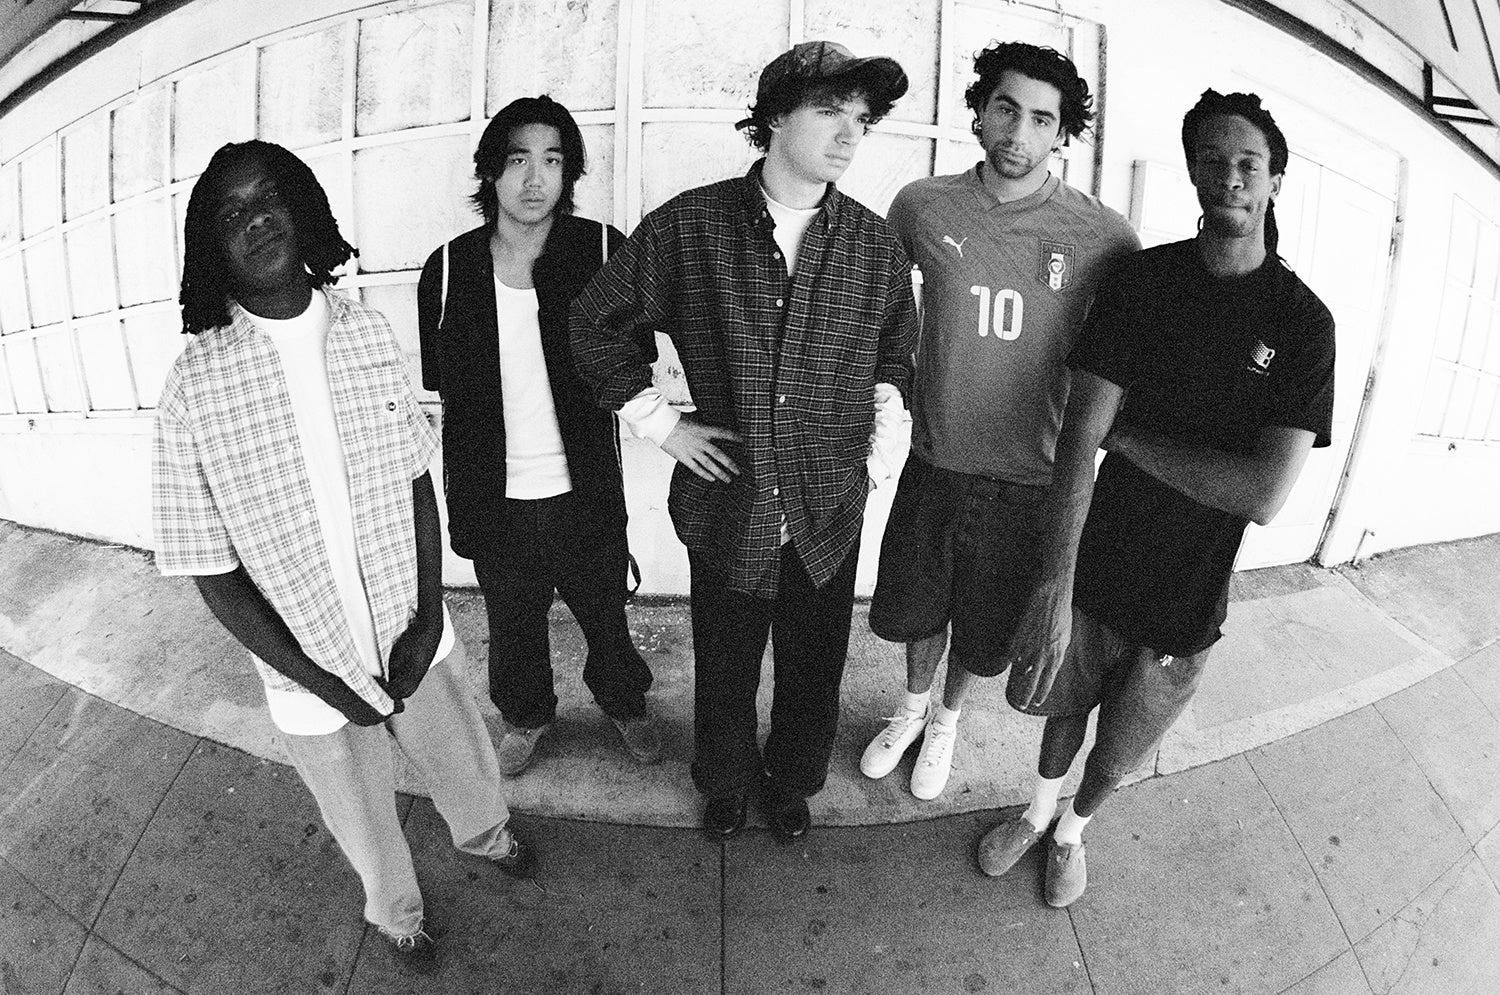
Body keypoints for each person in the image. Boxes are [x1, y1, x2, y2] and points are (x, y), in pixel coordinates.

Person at [152, 140, 529, 969]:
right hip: (308, 666)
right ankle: (397, 911)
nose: (255, 219)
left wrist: (428, 616)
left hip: (412, 626)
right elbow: (210, 568)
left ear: (302, 208)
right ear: (211, 244)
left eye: (268, 198)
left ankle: (487, 833)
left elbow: (415, 477)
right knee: (358, 808)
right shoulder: (192, 384)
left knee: (461, 752)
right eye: (231, 212)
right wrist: (321, 680)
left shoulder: (365, 330)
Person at [981, 90, 1336, 907]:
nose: (1230, 176)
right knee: (1064, 709)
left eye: (1248, 162)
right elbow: (1080, 434)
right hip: (1100, 556)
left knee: (1119, 749)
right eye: (1213, 160)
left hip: (1187, 592)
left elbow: (1263, 493)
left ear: (1275, 179)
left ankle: (1073, 832)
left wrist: (1133, 439)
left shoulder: (1302, 323)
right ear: (1193, 173)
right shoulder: (1143, 281)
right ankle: (1037, 813)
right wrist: (1055, 583)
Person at [571, 41, 917, 841]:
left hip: (828, 504)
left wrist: (875, 462)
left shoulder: (872, 245)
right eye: (829, 111)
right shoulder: (691, 226)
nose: (849, 134)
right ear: (774, 119)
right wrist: (662, 425)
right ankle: (723, 780)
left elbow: (895, 359)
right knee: (724, 662)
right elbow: (593, 324)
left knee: (813, 663)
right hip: (731, 495)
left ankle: (792, 780)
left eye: (860, 118)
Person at [859, 42, 1139, 800]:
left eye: (1042, 119)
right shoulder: (922, 205)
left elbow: (1132, 349)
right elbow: (880, 311)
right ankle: (911, 708)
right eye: (1006, 109)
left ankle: (947, 719)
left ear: (1063, 133)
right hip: (935, 459)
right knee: (918, 609)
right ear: (980, 111)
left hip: (1030, 477)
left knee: (982, 628)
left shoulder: (1104, 235)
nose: (1019, 131)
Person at [417, 96, 658, 776]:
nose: (534, 179)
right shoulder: (446, 269)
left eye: (552, 160)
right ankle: (526, 715)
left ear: (568, 172)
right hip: (494, 496)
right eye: (518, 159)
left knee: (606, 615)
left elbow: (633, 363)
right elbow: (443, 383)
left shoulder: (604, 251)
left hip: (584, 489)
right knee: (513, 625)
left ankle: (625, 702)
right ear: (491, 171)